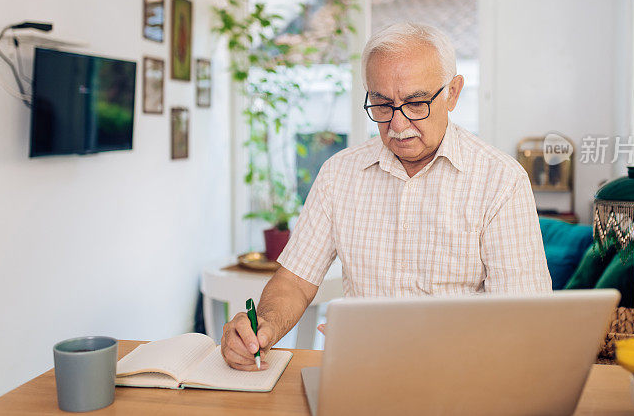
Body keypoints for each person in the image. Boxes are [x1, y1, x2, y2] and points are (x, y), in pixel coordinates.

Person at [221, 22, 552, 371]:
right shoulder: (339, 174)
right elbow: (294, 281)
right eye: (381, 105)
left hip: (463, 377)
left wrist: (401, 342)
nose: (398, 124)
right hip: (362, 376)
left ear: (453, 93)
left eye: (416, 102)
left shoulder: (501, 181)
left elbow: (523, 323)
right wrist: (265, 326)